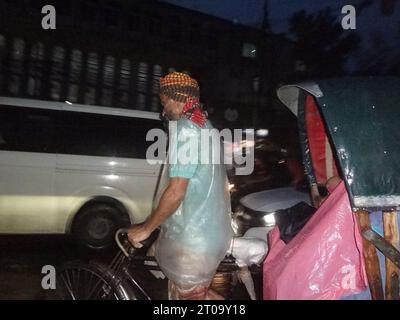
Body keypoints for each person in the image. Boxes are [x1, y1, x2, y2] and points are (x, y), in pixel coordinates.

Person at [127, 72, 234, 300]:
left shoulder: (186, 129)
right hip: (209, 234)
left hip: (193, 240)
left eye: (163, 102)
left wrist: (146, 228)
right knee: (196, 295)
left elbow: (177, 192)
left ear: (175, 98)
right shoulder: (207, 126)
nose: (163, 110)